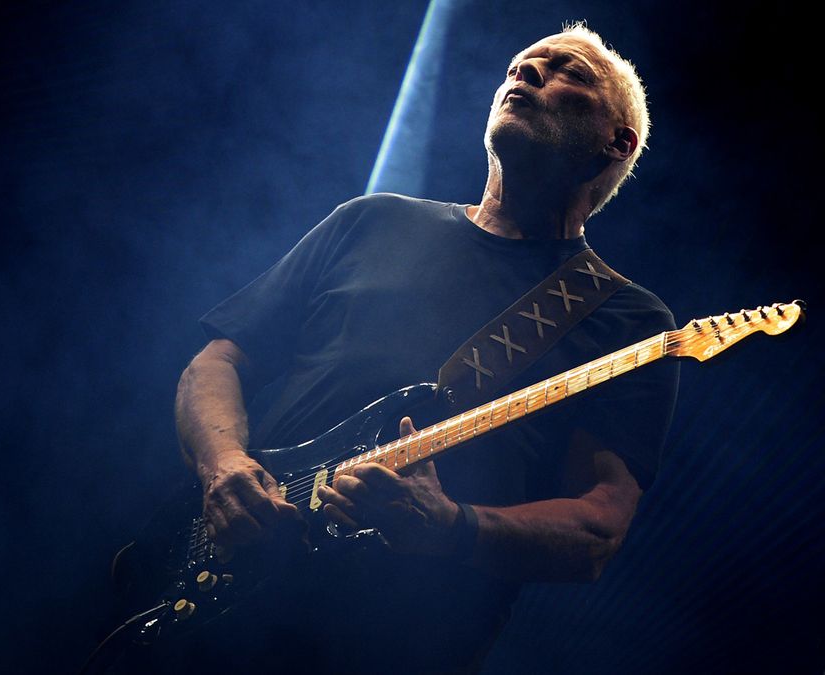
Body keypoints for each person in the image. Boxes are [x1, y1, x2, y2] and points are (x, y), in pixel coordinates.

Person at [174, 23, 679, 674]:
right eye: (521, 66)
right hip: (218, 600)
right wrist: (222, 466)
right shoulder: (372, 220)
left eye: (568, 74)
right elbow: (215, 361)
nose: (526, 74)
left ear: (618, 141)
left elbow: (599, 525)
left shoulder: (624, 317)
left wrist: (453, 527)